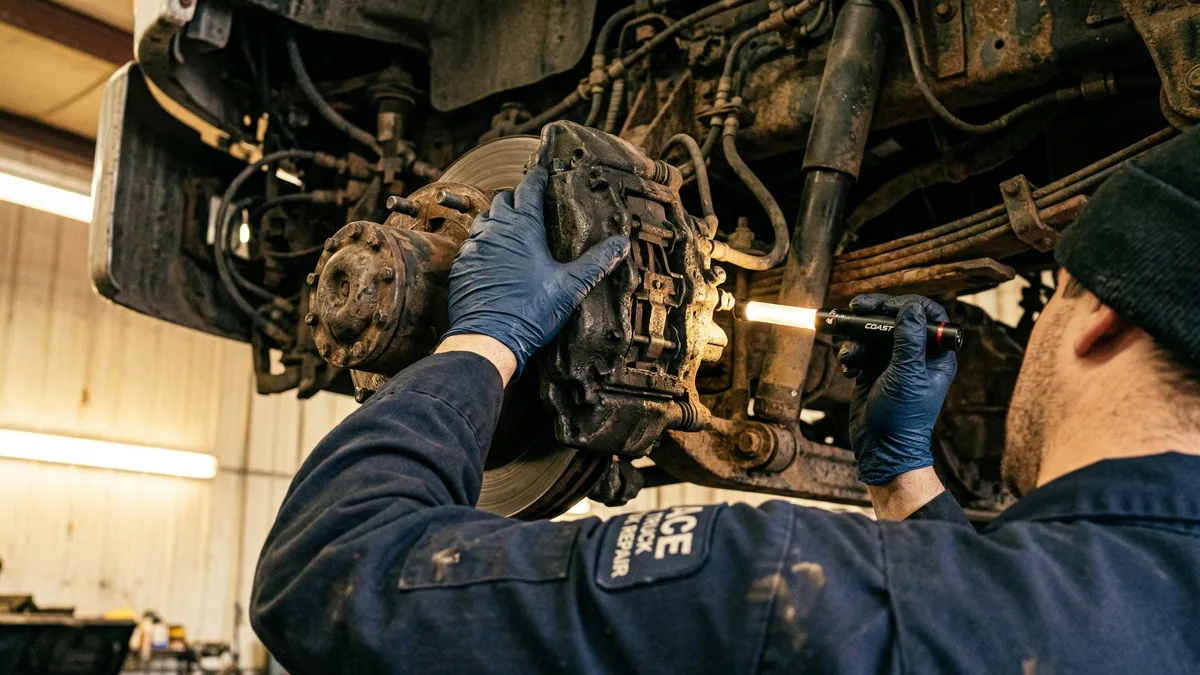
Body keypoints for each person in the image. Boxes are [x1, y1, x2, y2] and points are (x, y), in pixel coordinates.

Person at [251, 125, 1200, 674]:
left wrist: (484, 339)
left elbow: (333, 576)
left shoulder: (797, 589)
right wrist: (907, 480)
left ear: (1098, 324)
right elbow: (999, 623)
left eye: (1049, 300)